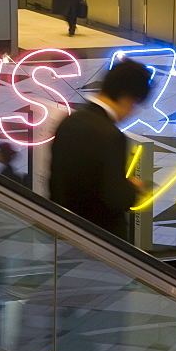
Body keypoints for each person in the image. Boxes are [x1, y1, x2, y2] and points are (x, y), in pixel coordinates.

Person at [49, 58, 152, 239]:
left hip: (64, 233)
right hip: (102, 241)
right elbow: (116, 199)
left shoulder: (69, 122)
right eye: (135, 105)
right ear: (127, 99)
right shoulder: (111, 136)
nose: (132, 112)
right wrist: (132, 188)